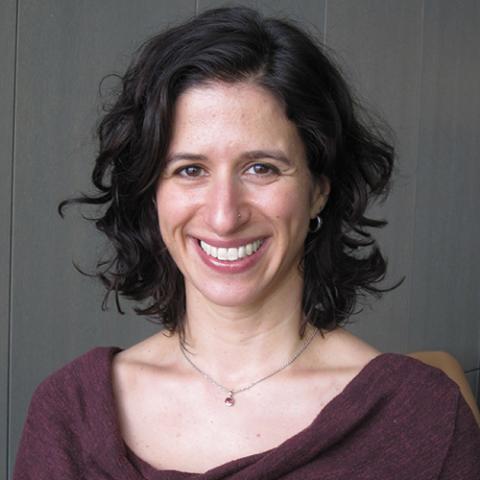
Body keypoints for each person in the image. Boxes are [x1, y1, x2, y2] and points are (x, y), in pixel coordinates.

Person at [14, 6, 480, 479]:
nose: (224, 216)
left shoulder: (426, 420)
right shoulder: (70, 413)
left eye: (261, 168)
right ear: (152, 194)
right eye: (190, 170)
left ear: (319, 190)